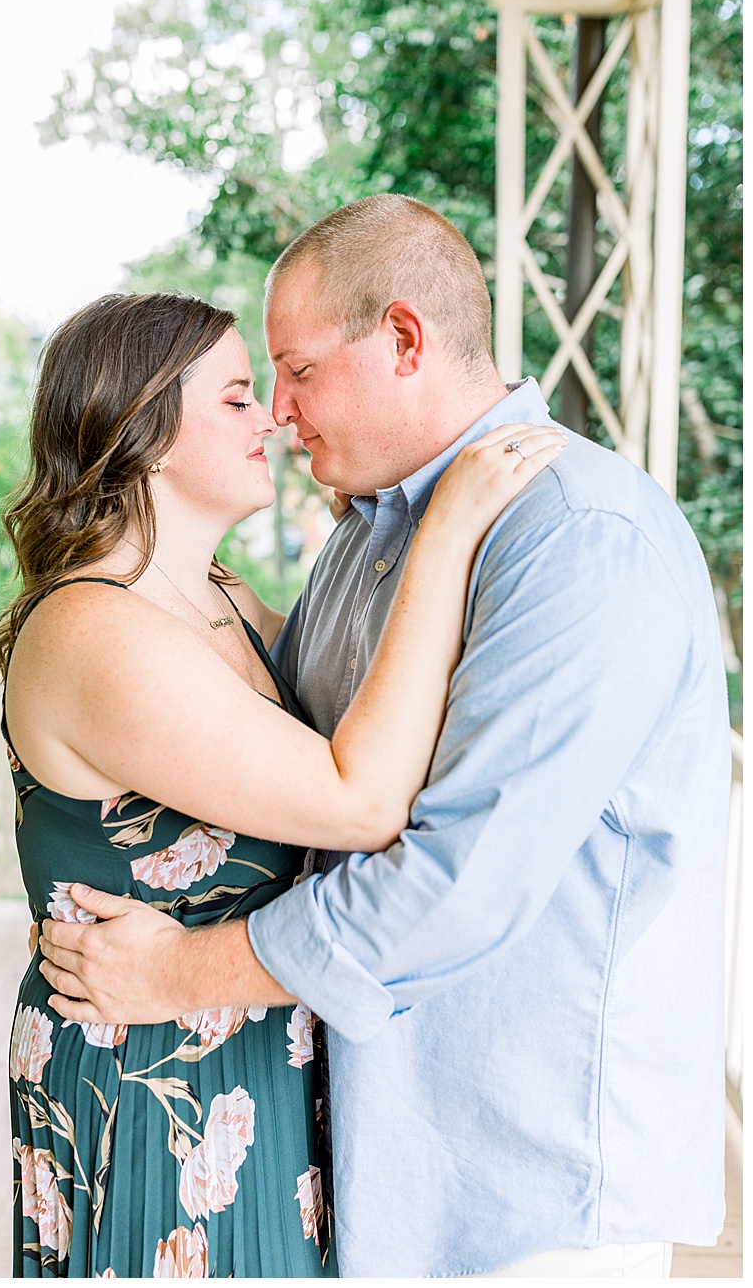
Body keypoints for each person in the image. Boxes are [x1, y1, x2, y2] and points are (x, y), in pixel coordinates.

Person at [36, 195, 730, 1278]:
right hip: (372, 1158)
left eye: (297, 371)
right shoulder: (365, 537)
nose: (280, 408)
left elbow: (457, 880)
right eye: (253, 386)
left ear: (403, 338)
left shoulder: (576, 537)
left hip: (523, 1188)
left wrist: (174, 974)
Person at [0, 287, 562, 1277]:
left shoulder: (219, 599)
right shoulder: (96, 630)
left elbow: (375, 711)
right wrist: (444, 531)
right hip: (150, 1074)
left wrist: (384, 529)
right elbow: (358, 798)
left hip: (256, 1050)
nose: (271, 417)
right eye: (236, 398)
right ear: (144, 433)